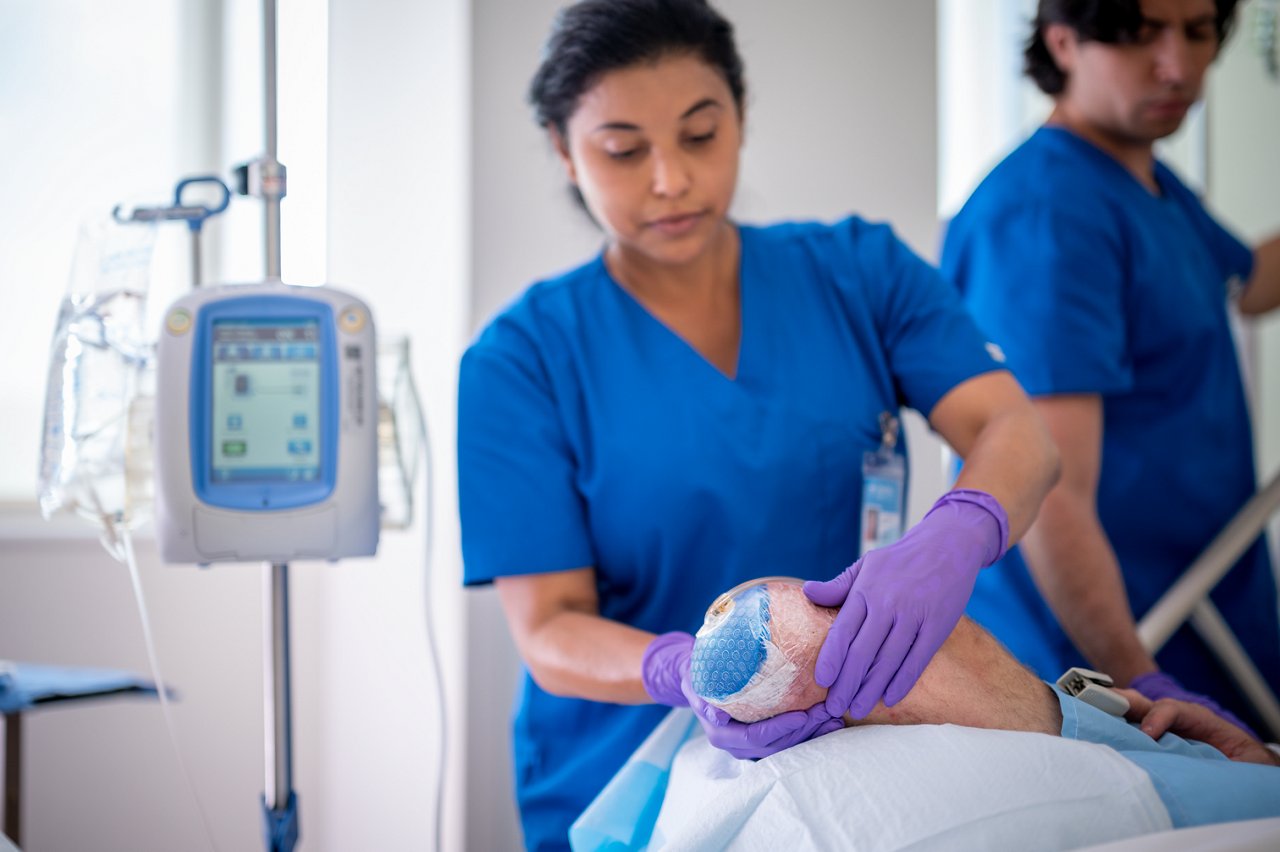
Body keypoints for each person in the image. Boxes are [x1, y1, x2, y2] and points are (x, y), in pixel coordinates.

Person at [457, 1, 1058, 848]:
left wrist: (960, 530)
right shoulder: (520, 360)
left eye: (701, 135)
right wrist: (679, 671)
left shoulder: (859, 273)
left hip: (856, 742)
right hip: (627, 777)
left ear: (739, 119)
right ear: (564, 150)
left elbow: (1016, 431)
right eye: (623, 150)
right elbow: (550, 627)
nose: (670, 179)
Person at [940, 0, 1280, 735]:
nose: (1179, 67)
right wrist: (1140, 682)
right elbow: (1049, 488)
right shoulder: (1047, 214)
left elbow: (1247, 283)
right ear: (1063, 42)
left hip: (1201, 614)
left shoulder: (1150, 185)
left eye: (1197, 33)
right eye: (1140, 36)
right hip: (1102, 661)